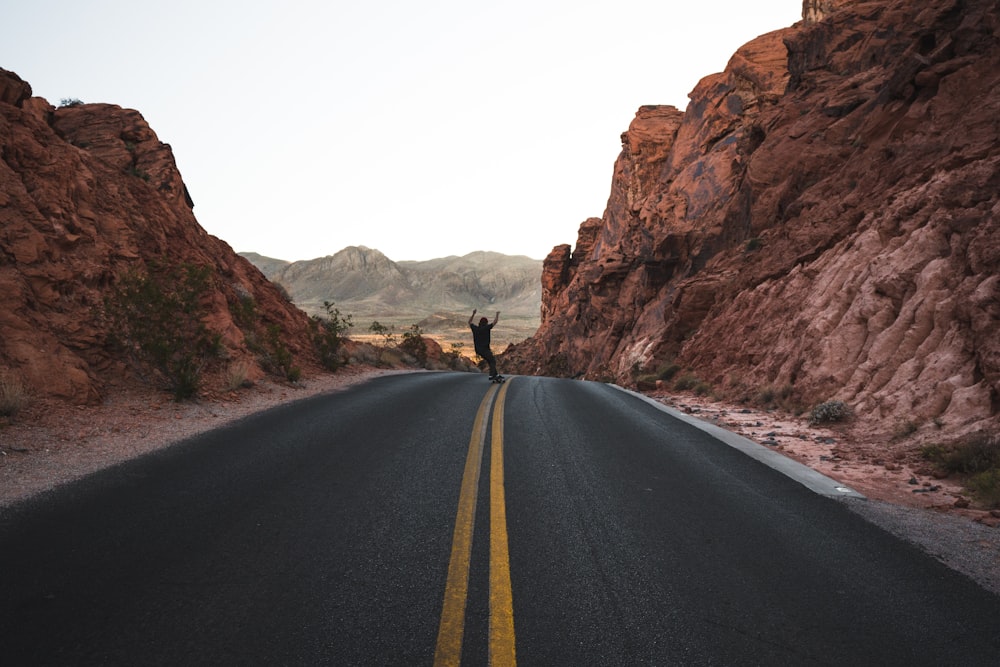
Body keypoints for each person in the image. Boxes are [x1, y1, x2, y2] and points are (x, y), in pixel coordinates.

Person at [468, 309, 500, 378]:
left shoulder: (475, 328)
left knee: (490, 360)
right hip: (485, 349)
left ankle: (496, 374)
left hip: (478, 350)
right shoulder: (486, 328)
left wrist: (473, 314)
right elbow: (495, 322)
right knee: (492, 361)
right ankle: (492, 375)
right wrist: (497, 314)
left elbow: (469, 322)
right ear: (486, 323)